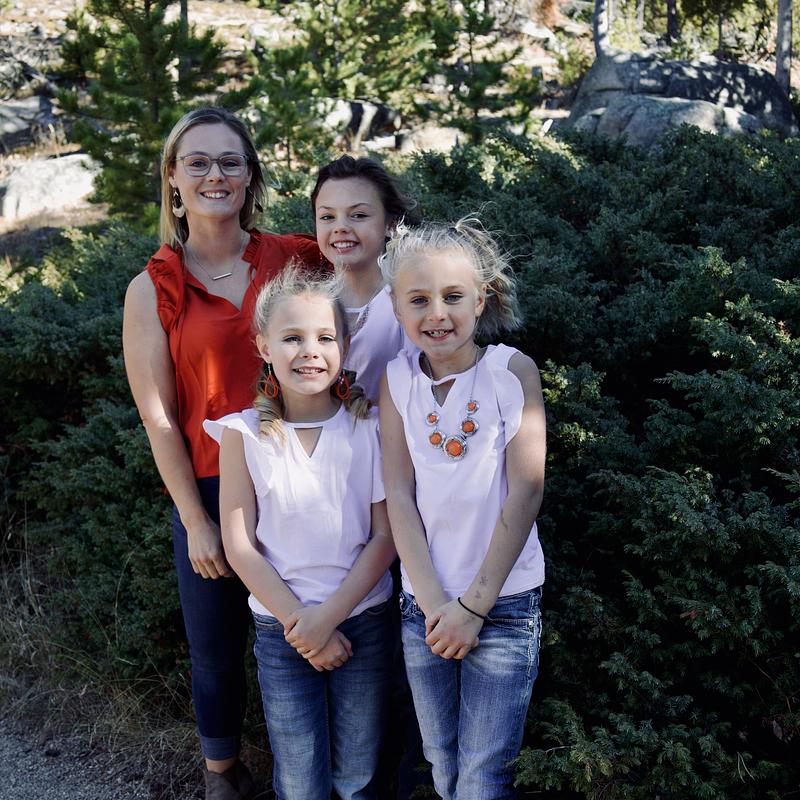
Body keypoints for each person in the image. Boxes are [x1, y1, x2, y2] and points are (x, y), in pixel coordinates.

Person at [122, 106, 320, 800]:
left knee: (317, 628)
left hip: (305, 477)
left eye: (230, 161)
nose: (215, 174)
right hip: (209, 489)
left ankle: (328, 772)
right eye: (198, 162)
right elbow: (158, 418)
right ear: (173, 179)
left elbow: (370, 286)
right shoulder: (153, 288)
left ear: (249, 176)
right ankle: (223, 776)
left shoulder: (295, 259)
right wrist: (195, 521)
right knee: (216, 648)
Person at [203, 267, 396, 800]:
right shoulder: (243, 434)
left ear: (344, 347)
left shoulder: (370, 428)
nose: (309, 350)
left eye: (324, 337)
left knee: (358, 775)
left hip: (363, 620)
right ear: (264, 346)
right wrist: (302, 625)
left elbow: (385, 537)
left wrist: (327, 620)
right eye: (292, 338)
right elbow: (240, 546)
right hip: (281, 630)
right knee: (298, 779)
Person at [378, 217, 547, 799]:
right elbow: (398, 492)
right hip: (423, 606)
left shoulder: (510, 372)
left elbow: (526, 491)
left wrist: (473, 607)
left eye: (453, 296)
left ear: (481, 299)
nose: (437, 314)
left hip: (503, 602)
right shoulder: (396, 380)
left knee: (482, 774)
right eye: (418, 300)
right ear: (396, 308)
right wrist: (434, 603)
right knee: (442, 763)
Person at [311, 155, 419, 403]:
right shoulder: (307, 304)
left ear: (390, 224)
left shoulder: (408, 303)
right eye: (327, 217)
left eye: (358, 215)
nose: (340, 227)